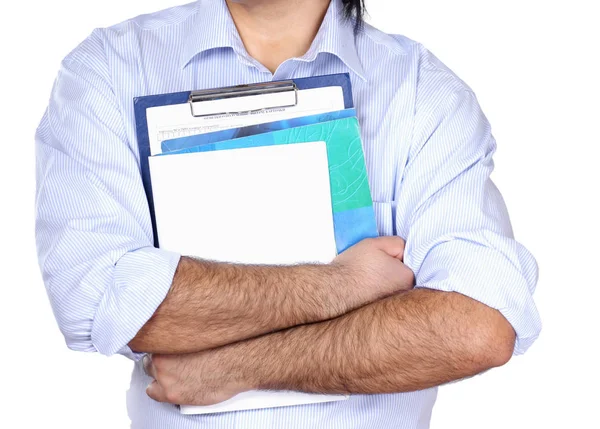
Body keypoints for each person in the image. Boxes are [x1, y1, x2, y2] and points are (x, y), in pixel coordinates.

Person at [34, 0, 541, 428]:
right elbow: (96, 297)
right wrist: (343, 284)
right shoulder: (110, 67)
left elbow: (478, 325)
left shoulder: (422, 93)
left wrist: (236, 366)